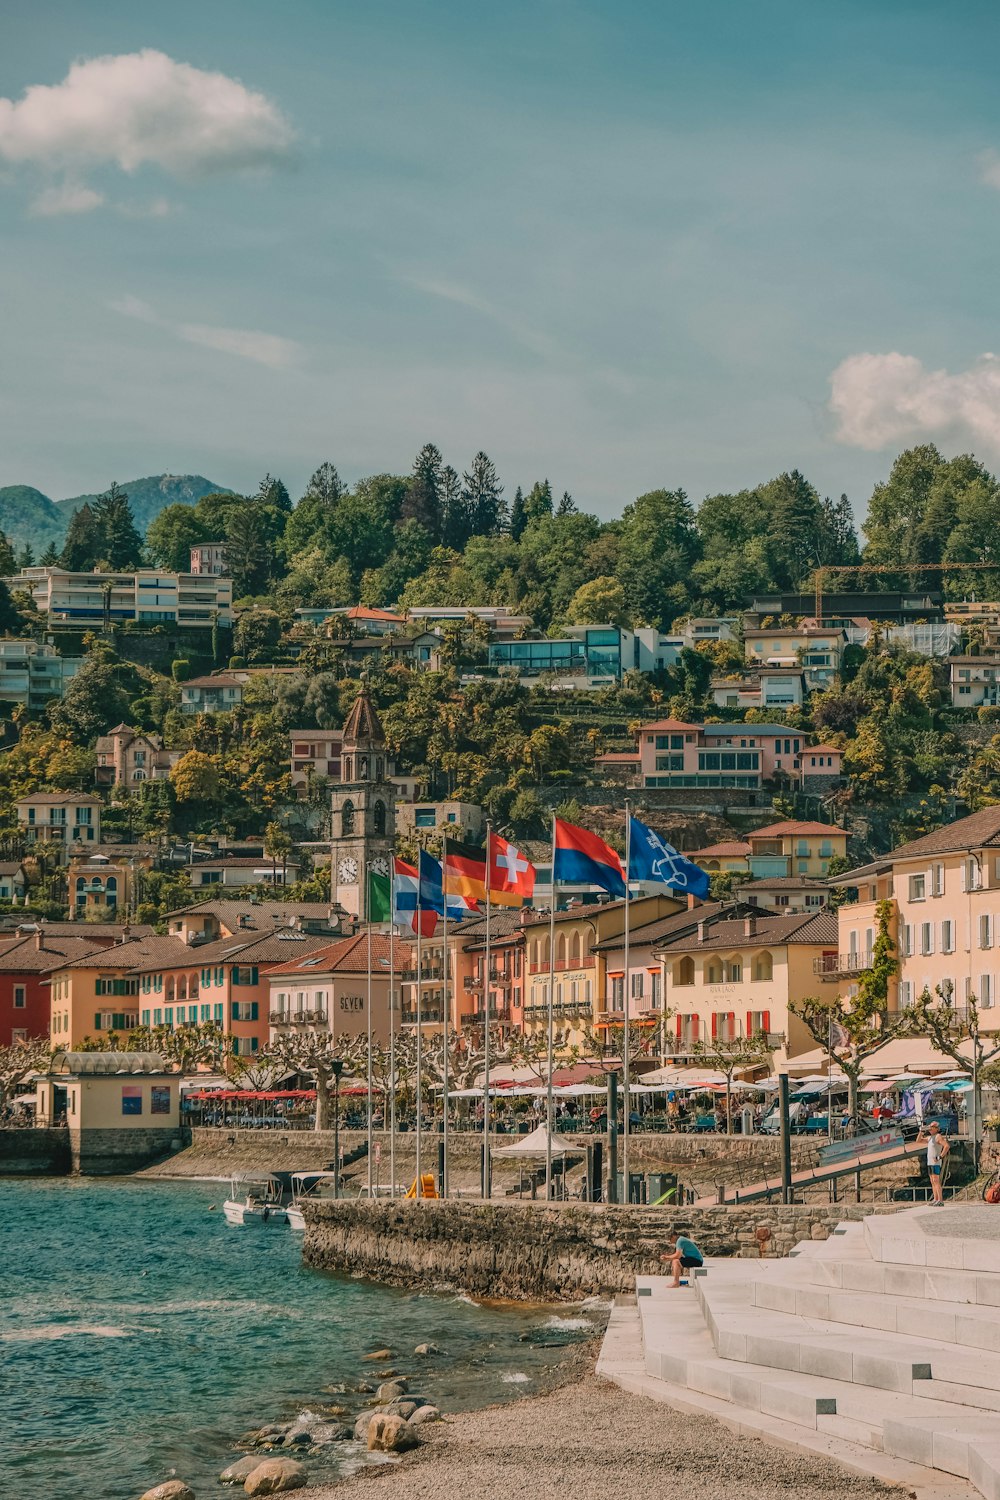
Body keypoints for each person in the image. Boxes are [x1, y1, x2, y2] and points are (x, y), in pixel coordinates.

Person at [917, 1120, 950, 1204]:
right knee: (932, 1181)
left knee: (936, 1180)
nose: (930, 1128)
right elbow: (918, 1141)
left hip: (936, 1162)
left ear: (937, 1128)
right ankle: (935, 1198)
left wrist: (940, 1156)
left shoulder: (938, 1136)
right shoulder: (930, 1138)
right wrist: (921, 1131)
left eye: (932, 1127)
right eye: (930, 1127)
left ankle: (940, 1200)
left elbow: (946, 1146)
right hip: (930, 1162)